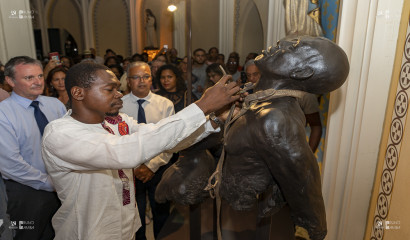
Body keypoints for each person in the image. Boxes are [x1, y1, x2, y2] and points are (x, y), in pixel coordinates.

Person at [41, 62, 240, 239]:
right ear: (78, 93)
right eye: (110, 89)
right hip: (88, 231)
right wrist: (202, 105)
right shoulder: (60, 133)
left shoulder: (118, 122)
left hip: (125, 225)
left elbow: (166, 139)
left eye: (118, 89)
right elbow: (124, 152)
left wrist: (215, 119)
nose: (119, 95)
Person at [0, 56, 66, 239]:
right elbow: (10, 164)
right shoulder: (3, 114)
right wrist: (49, 183)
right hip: (25, 192)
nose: (38, 82)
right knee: (28, 236)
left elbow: (68, 144)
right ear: (10, 81)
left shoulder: (55, 105)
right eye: (29, 78)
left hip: (63, 186)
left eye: (39, 76)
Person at [120, 61, 174, 239]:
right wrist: (134, 166)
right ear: (128, 81)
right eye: (136, 77)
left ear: (151, 79)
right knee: (135, 214)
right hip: (129, 170)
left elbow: (170, 140)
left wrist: (151, 166)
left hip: (158, 169)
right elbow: (116, 141)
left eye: (146, 76)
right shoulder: (118, 105)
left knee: (161, 213)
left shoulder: (165, 104)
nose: (141, 81)